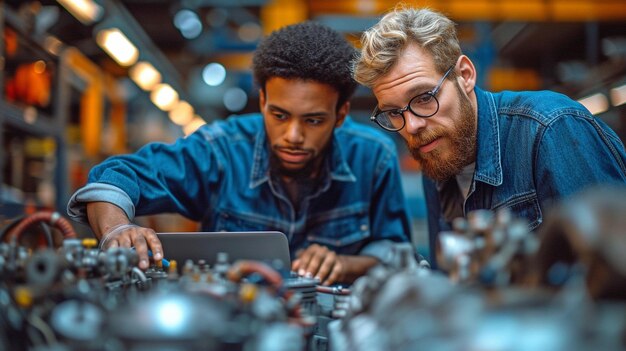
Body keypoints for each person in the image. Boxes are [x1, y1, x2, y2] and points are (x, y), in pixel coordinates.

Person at [67, 22, 412, 285]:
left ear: (340, 114)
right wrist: (115, 229)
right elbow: (113, 179)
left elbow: (395, 252)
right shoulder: (220, 151)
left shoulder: (373, 157)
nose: (293, 135)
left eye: (313, 120)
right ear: (262, 101)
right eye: (279, 115)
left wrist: (347, 263)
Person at [352, 7, 626, 268]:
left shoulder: (551, 129)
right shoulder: (434, 157)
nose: (411, 126)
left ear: (465, 75)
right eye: (392, 112)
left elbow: (613, 277)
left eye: (424, 98)